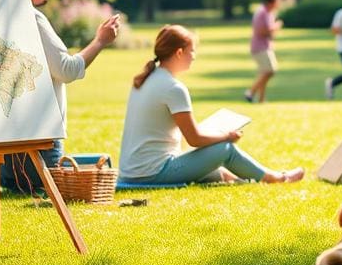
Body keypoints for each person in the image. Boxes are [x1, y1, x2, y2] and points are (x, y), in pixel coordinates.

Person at [0, 0, 120, 193]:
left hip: (5, 152)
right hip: (40, 144)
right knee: (96, 170)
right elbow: (66, 69)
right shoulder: (32, 17)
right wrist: (100, 41)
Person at [119, 25, 304, 185]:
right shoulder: (174, 88)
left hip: (133, 172)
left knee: (218, 171)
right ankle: (277, 179)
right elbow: (194, 139)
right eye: (192, 51)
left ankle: (244, 180)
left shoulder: (145, 80)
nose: (194, 56)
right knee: (225, 150)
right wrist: (226, 136)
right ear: (179, 52)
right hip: (152, 173)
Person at [245, 0, 284, 103]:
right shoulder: (262, 12)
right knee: (270, 71)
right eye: (278, 0)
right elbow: (261, 31)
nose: (279, 2)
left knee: (264, 72)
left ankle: (261, 99)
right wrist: (276, 26)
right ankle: (250, 92)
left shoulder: (268, 12)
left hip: (265, 46)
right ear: (272, 1)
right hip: (260, 47)